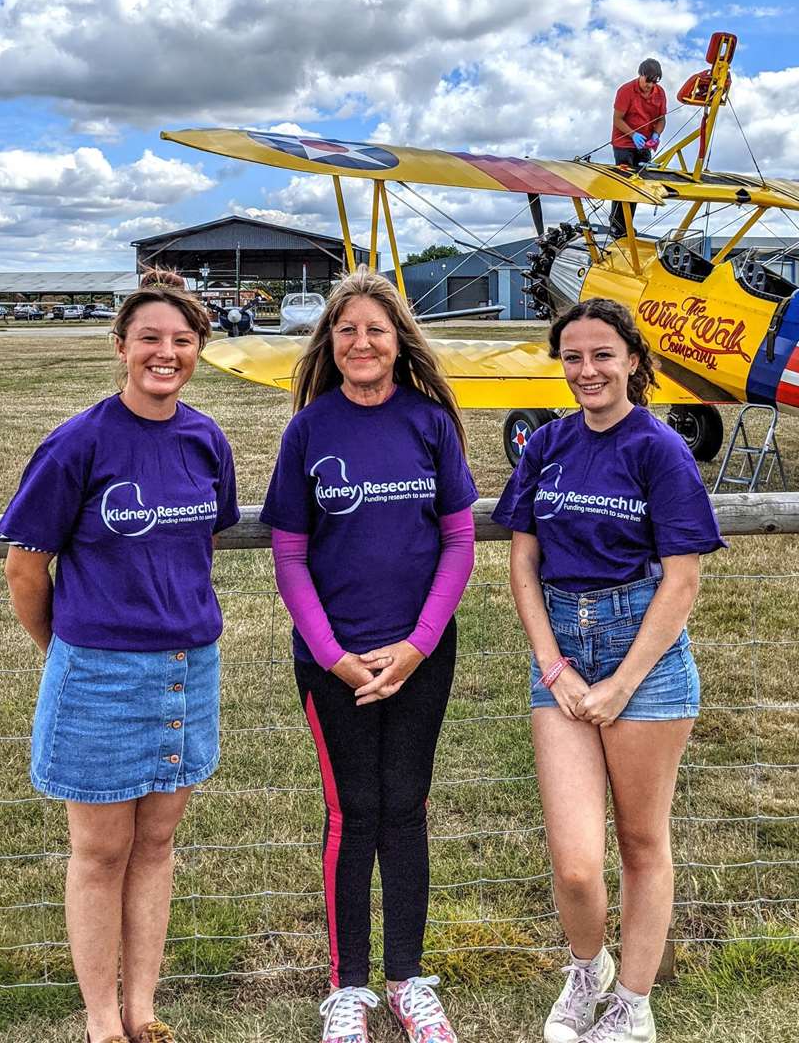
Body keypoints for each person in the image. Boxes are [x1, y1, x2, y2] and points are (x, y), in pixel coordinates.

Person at [0, 268, 240, 1043]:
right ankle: (103, 1021)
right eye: (149, 340)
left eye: (182, 341)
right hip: (100, 671)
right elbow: (25, 567)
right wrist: (67, 651)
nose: (165, 354)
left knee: (159, 843)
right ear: (121, 348)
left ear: (198, 349)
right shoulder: (78, 443)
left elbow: (201, 541)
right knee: (101, 852)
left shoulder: (206, 439)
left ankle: (144, 1008)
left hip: (187, 668)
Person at [493, 298, 724, 1043]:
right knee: (576, 867)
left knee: (641, 842)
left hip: (644, 661)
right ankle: (586, 969)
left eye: (601, 355)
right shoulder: (547, 444)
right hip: (561, 651)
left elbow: (682, 580)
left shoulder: (659, 449)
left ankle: (632, 1002)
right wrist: (552, 664)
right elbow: (521, 558)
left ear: (631, 360)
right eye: (572, 357)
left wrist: (621, 683)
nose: (586, 370)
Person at [259, 266, 478, 1043]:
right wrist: (335, 655)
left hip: (421, 655)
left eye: (375, 330)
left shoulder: (429, 424)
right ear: (331, 341)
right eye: (346, 330)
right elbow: (289, 556)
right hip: (334, 664)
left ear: (398, 342)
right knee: (353, 814)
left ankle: (408, 980)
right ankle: (347, 987)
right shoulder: (309, 431)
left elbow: (458, 541)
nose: (360, 342)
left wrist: (417, 646)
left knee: (406, 807)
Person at [609, 59, 667, 240]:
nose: (649, 85)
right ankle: (617, 225)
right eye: (647, 80)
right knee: (625, 183)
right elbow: (617, 119)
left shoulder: (660, 93)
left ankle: (626, 224)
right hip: (624, 144)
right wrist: (633, 135)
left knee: (638, 185)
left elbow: (661, 119)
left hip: (644, 145)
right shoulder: (626, 91)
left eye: (654, 81)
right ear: (640, 74)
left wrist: (656, 135)